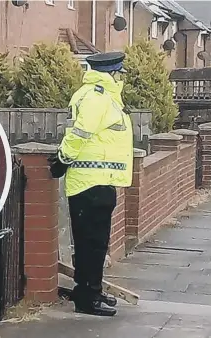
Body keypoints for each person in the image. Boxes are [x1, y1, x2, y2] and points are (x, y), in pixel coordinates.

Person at [49, 52, 133, 317]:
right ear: (112, 73)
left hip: (99, 182)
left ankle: (92, 291)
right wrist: (63, 158)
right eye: (119, 73)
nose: (121, 78)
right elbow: (80, 133)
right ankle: (86, 298)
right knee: (90, 244)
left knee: (96, 244)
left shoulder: (103, 98)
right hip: (89, 184)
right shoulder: (96, 98)